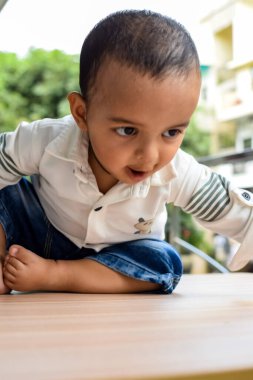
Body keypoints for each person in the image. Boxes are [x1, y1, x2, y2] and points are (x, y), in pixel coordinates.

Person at [1, 10, 253, 295]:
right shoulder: (45, 139)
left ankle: (58, 275)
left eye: (171, 133)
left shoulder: (178, 172)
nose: (149, 155)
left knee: (164, 261)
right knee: (7, 193)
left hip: (116, 262)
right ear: (81, 114)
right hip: (37, 234)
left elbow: (236, 212)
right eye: (128, 131)